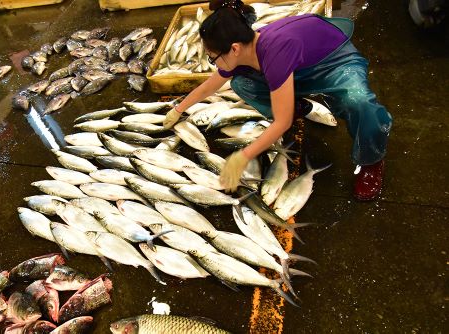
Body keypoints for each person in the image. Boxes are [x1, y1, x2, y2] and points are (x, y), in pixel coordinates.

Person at [163, 0, 393, 201]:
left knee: (358, 102)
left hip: (334, 63)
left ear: (233, 49)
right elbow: (209, 86)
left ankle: (371, 161)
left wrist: (242, 157)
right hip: (299, 68)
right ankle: (296, 106)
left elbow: (281, 124)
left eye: (213, 58)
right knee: (241, 83)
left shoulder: (275, 51)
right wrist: (178, 109)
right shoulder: (243, 50)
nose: (214, 63)